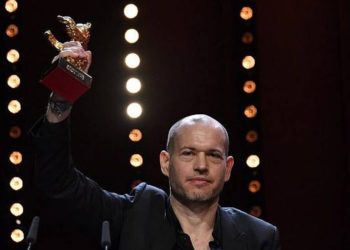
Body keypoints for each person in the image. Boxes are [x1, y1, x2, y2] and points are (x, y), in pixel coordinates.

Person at [31, 42, 280, 250]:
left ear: (228, 168)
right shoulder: (132, 216)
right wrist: (62, 97)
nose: (201, 166)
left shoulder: (259, 238)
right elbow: (58, 183)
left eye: (213, 156)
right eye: (188, 153)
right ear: (165, 162)